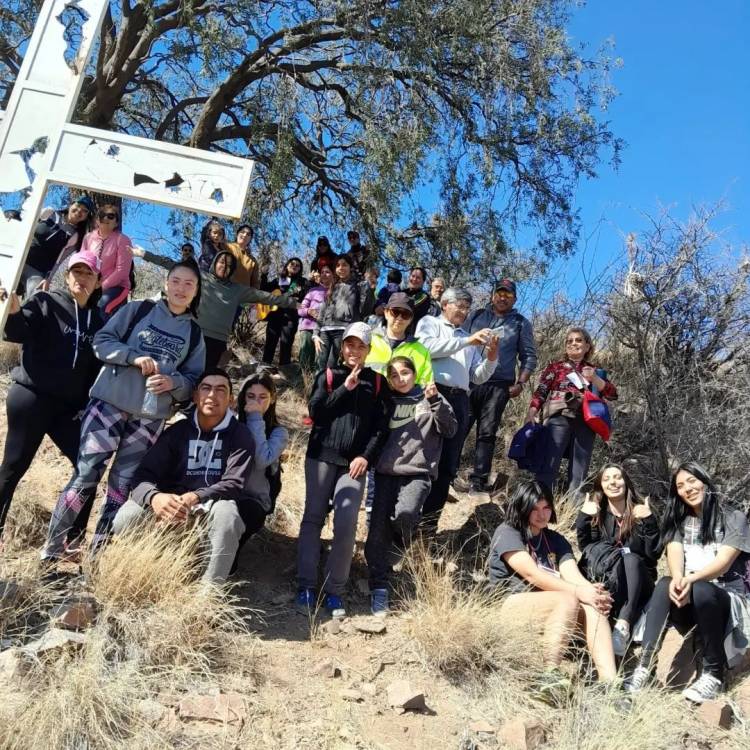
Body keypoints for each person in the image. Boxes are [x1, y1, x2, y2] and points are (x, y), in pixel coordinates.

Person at [41, 260, 206, 562]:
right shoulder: (139, 309)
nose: (181, 289)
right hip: (108, 406)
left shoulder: (195, 335)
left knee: (120, 487)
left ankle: (96, 557)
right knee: (86, 475)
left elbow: (193, 383)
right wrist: (132, 357)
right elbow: (102, 343)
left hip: (149, 420)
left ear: (196, 292)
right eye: (176, 281)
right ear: (166, 283)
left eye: (189, 284)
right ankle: (50, 551)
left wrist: (173, 381)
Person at [0, 251, 104, 549]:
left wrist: (85, 406)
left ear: (98, 282)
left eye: (88, 274)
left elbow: (95, 370)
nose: (81, 278)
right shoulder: (46, 302)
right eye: (76, 272)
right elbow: (17, 331)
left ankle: (70, 542)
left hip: (67, 409)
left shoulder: (98, 321)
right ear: (67, 275)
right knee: (13, 467)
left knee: (88, 469)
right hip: (31, 397)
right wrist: (14, 307)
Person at [111, 369, 254, 584]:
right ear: (196, 396)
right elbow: (142, 475)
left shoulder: (240, 434)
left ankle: (208, 594)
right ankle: (143, 575)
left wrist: (194, 497)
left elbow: (234, 484)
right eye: (206, 388)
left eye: (220, 390)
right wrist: (155, 498)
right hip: (170, 505)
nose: (212, 395)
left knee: (229, 514)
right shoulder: (177, 432)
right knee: (127, 516)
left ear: (231, 400)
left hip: (209, 508)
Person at [624, 462, 750, 703]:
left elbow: (723, 562)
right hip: (691, 600)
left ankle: (713, 674)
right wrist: (679, 581)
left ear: (705, 481)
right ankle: (645, 666)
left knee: (701, 587)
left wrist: (690, 580)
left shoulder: (733, 517)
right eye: (680, 486)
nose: (687, 489)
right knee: (665, 583)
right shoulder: (678, 521)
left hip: (724, 600)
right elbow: (675, 554)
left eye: (692, 481)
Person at [489, 480, 617, 703]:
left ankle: (611, 684)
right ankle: (548, 675)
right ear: (522, 508)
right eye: (534, 509)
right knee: (568, 598)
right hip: (509, 606)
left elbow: (573, 575)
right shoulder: (508, 532)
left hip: (553, 608)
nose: (541, 515)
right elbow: (532, 575)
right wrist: (578, 591)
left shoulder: (555, 540)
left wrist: (592, 592)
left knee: (592, 606)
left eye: (546, 508)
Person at [296, 322, 389, 618]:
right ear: (342, 346)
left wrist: (366, 457)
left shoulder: (377, 383)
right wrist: (344, 389)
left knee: (347, 521)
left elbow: (380, 428)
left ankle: (334, 589)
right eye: (350, 344)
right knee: (313, 517)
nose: (354, 351)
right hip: (321, 458)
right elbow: (316, 413)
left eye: (361, 345)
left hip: (354, 465)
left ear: (369, 349)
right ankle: (307, 585)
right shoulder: (328, 375)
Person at [365, 356, 456, 615]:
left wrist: (436, 401)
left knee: (406, 514)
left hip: (418, 471)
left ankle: (397, 548)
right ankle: (379, 587)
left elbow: (450, 429)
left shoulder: (430, 397)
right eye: (393, 375)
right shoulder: (386, 401)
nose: (400, 379)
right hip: (384, 472)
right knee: (375, 532)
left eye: (405, 373)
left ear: (415, 374)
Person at [415, 288, 499, 533]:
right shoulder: (429, 323)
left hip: (461, 399)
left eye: (466, 307)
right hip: (433, 393)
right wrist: (467, 340)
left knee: (448, 465)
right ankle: (404, 519)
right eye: (459, 306)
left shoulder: (468, 339)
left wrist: (491, 358)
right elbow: (427, 348)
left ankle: (428, 526)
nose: (463, 311)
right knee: (420, 458)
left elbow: (477, 376)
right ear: (444, 304)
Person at [133, 247, 295, 370]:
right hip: (192, 334)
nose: (224, 266)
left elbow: (267, 297)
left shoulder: (238, 290)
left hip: (217, 341)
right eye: (222, 262)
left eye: (229, 265)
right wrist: (144, 254)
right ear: (215, 263)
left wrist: (296, 304)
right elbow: (172, 264)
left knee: (206, 376)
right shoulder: (200, 276)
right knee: (179, 371)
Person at [462, 279, 537, 493]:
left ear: (514, 299)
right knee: (459, 427)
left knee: (487, 432)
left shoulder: (520, 323)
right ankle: (444, 474)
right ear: (493, 295)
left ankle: (479, 481)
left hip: (499, 385)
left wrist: (521, 383)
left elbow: (529, 356)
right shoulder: (476, 315)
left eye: (508, 295)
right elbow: (461, 342)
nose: (503, 297)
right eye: (499, 293)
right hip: (470, 381)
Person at [576, 464, 660, 656]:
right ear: (601, 487)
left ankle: (623, 626)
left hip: (640, 583)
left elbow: (652, 555)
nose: (613, 482)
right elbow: (587, 549)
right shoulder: (597, 513)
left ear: (626, 482)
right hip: (611, 581)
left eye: (617, 477)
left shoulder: (640, 512)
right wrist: (584, 517)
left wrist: (649, 522)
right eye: (606, 479)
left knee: (631, 559)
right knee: (623, 560)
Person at [526, 327, 617, 499]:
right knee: (549, 463)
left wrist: (595, 379)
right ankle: (539, 504)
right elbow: (542, 390)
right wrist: (532, 411)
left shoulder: (595, 370)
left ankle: (575, 513)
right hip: (559, 417)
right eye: (569, 341)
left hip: (586, 422)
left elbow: (612, 394)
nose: (573, 344)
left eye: (579, 340)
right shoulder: (555, 367)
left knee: (579, 470)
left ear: (588, 346)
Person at [233, 371, 289, 567]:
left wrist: (255, 418)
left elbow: (260, 460)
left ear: (272, 399)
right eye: (251, 396)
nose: (256, 401)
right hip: (225, 492)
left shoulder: (279, 433)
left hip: (254, 499)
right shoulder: (230, 422)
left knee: (245, 513)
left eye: (263, 397)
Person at [53, 203, 132, 319]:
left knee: (100, 309)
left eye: (110, 216)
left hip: (116, 287)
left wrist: (99, 287)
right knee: (72, 305)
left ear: (116, 222)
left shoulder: (123, 240)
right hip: (92, 284)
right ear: (97, 220)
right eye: (102, 215)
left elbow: (122, 272)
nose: (105, 218)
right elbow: (81, 260)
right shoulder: (88, 237)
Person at [19, 196, 94, 297]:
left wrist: (48, 280)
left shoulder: (74, 236)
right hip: (20, 258)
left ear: (86, 216)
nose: (79, 210)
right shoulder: (50, 213)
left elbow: (59, 261)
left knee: (36, 296)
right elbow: (26, 220)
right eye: (78, 205)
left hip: (37, 270)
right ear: (71, 205)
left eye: (85, 210)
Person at [312, 254, 372, 369]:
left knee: (332, 366)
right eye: (338, 265)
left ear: (350, 267)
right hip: (325, 331)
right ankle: (317, 387)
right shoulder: (332, 286)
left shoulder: (359, 285)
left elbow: (365, 310)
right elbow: (322, 311)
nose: (341, 268)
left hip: (343, 331)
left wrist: (370, 289)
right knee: (320, 365)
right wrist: (315, 334)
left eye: (344, 265)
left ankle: (331, 387)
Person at [365, 292, 433, 384]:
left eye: (405, 314)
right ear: (386, 313)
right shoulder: (366, 340)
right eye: (395, 312)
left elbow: (426, 385)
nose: (399, 318)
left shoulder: (422, 351)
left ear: (411, 319)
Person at [262, 257, 309, 366]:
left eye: (298, 265)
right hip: (274, 316)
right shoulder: (279, 279)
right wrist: (264, 274)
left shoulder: (302, 282)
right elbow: (264, 289)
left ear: (300, 269)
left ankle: (284, 372)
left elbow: (307, 295)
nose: (294, 266)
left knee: (286, 345)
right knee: (270, 343)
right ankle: (264, 368)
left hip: (290, 318)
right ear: (287, 265)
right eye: (292, 263)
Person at [298, 265, 334, 376]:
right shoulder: (313, 290)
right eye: (322, 272)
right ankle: (302, 384)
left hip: (324, 331)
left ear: (333, 275)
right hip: (308, 328)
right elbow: (300, 309)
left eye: (327, 272)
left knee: (320, 362)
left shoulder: (337, 291)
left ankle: (317, 385)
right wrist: (309, 311)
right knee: (305, 360)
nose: (324, 274)